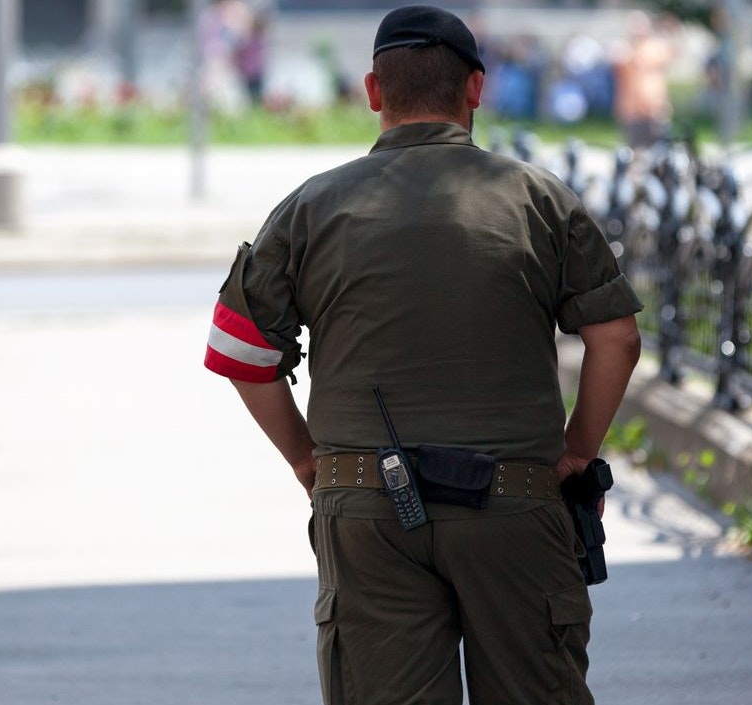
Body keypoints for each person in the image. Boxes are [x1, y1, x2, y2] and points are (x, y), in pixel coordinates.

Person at [202, 6, 642, 705]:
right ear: (476, 89)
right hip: (515, 503)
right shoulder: (538, 200)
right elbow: (616, 336)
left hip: (366, 506)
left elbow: (237, 348)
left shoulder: (311, 207)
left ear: (373, 91)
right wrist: (579, 449)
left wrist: (307, 460)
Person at [612, 10, 675, 149]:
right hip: (632, 112)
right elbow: (619, 67)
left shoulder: (656, 47)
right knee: (635, 150)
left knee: (660, 148)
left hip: (655, 109)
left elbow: (672, 53)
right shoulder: (624, 49)